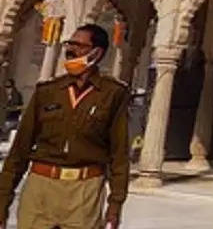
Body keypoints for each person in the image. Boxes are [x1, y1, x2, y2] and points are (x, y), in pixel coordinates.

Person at [0, 24, 130, 229]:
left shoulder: (112, 94)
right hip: (41, 187)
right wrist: (2, 203)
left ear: (96, 52)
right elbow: (19, 151)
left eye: (79, 46)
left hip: (84, 192)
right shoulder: (48, 91)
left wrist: (115, 206)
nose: (70, 50)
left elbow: (119, 155)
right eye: (69, 44)